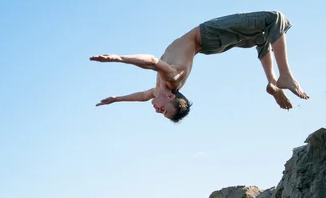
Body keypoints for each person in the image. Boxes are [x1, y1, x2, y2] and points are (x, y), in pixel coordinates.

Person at [89, 10, 309, 123]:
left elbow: (141, 96)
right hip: (209, 35)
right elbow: (153, 61)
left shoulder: (158, 91)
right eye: (164, 111)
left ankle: (273, 82)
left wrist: (116, 99)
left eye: (161, 113)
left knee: (263, 37)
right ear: (170, 98)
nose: (157, 110)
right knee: (275, 18)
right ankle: (285, 76)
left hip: (211, 46)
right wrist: (119, 58)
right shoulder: (173, 79)